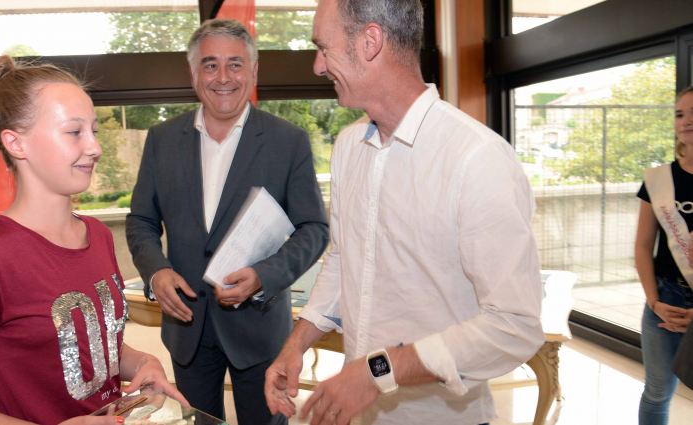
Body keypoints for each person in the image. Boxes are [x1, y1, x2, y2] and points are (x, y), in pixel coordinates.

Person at [263, 1, 545, 424]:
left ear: (370, 41)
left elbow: (514, 326)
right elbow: (344, 260)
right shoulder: (347, 147)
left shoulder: (477, 158)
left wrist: (377, 373)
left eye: (324, 47)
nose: (318, 66)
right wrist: (297, 343)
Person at [0, 55, 185, 425]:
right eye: (74, 132)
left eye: (94, 131)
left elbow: (93, 349)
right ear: (16, 143)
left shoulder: (98, 237)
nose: (95, 147)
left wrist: (143, 362)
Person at [125, 19, 329, 425]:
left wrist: (264, 275)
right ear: (193, 72)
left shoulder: (288, 142)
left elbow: (314, 229)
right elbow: (141, 220)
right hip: (187, 328)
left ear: (253, 72)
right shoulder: (162, 139)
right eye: (210, 64)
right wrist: (156, 272)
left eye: (235, 65)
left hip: (260, 328)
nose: (223, 77)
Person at [635, 85, 693, 425]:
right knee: (657, 392)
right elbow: (643, 246)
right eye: (680, 114)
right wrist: (655, 301)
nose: (686, 121)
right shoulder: (658, 181)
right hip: (665, 299)